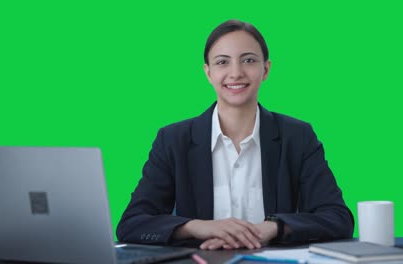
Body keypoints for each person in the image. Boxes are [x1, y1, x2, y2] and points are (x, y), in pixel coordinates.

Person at [116, 19, 354, 250]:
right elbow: (132, 223)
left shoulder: (297, 136)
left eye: (248, 60)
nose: (236, 73)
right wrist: (197, 227)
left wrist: (273, 228)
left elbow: (337, 217)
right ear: (208, 73)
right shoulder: (173, 140)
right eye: (222, 62)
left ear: (266, 69)